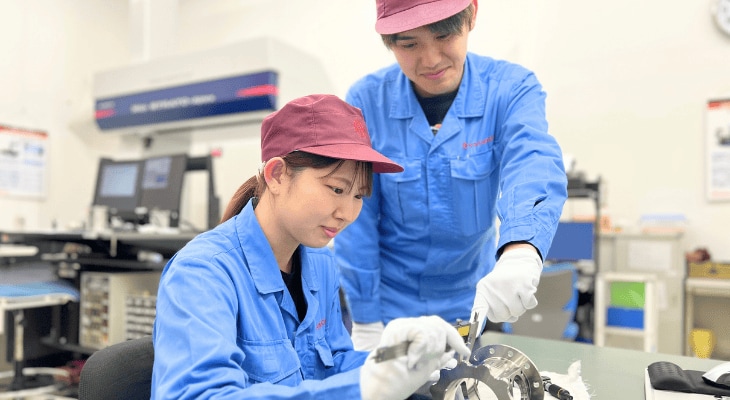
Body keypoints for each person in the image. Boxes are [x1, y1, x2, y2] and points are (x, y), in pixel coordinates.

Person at [151, 94, 470, 400]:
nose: (347, 213)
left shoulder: (320, 262)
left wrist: (397, 362)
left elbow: (332, 363)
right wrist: (364, 388)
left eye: (358, 196)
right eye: (336, 189)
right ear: (277, 175)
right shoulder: (202, 273)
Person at [334, 0, 569, 351]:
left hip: (470, 302)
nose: (430, 60)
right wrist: (367, 320)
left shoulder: (510, 89)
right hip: (389, 308)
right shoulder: (367, 101)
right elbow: (358, 219)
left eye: (444, 36)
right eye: (409, 44)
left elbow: (532, 161)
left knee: (461, 376)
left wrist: (522, 248)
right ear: (389, 42)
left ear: (471, 16)